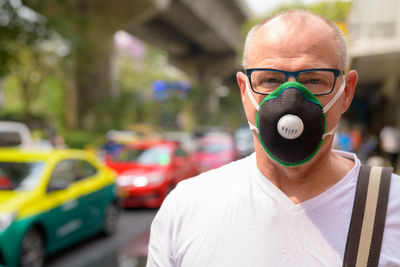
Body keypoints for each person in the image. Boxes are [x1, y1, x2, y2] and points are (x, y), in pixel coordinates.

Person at [147, 10, 400, 266]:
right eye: (270, 79)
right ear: (244, 91)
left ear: (346, 92)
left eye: (313, 80)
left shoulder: (392, 206)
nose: (291, 99)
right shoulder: (186, 207)